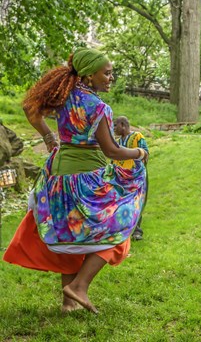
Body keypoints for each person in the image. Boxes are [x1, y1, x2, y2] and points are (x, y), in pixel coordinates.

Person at [3, 47, 148, 314]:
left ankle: (69, 303)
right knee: (121, 224)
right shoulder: (98, 107)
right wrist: (140, 152)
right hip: (85, 179)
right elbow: (112, 151)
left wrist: (49, 137)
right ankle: (79, 286)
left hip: (57, 178)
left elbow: (28, 107)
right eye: (107, 73)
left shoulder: (63, 98)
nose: (111, 77)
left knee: (74, 235)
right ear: (89, 75)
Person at [113, 116, 149, 241]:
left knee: (137, 202)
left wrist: (137, 173)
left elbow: (145, 154)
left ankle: (137, 231)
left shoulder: (137, 136)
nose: (114, 128)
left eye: (115, 125)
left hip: (136, 177)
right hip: (120, 178)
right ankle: (123, 231)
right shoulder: (117, 143)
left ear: (123, 125)